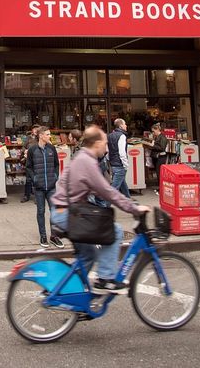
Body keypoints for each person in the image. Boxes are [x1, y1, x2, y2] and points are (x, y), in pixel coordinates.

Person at [52, 125, 149, 294]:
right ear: (96, 143)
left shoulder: (81, 157)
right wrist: (133, 208)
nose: (106, 146)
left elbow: (98, 189)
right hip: (68, 214)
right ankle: (105, 279)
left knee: (88, 255)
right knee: (116, 230)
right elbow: (108, 191)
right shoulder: (87, 161)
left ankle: (73, 293)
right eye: (104, 142)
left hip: (65, 211)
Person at [26, 126, 63, 249]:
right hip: (39, 187)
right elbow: (29, 167)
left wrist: (55, 176)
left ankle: (54, 236)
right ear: (41, 136)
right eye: (47, 134)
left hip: (51, 186)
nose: (49, 136)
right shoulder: (32, 150)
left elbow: (56, 164)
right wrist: (35, 179)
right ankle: (43, 236)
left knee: (55, 211)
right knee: (40, 212)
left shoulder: (52, 148)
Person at [107, 118, 131, 199]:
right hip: (119, 164)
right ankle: (104, 205)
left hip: (113, 163)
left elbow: (107, 150)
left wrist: (109, 160)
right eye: (125, 124)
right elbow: (122, 152)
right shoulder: (122, 136)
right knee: (114, 189)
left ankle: (128, 199)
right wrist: (125, 164)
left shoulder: (110, 135)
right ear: (121, 126)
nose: (126, 125)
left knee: (122, 182)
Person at [21, 124, 40, 202]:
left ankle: (37, 197)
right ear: (32, 130)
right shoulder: (28, 138)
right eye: (34, 129)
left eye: (37, 129)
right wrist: (24, 150)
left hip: (38, 161)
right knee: (28, 180)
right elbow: (23, 147)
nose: (35, 130)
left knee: (37, 179)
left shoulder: (40, 138)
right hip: (29, 160)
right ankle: (26, 196)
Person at [147, 123, 168, 192]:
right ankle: (160, 187)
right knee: (158, 172)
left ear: (157, 130)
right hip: (157, 157)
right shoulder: (157, 137)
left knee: (160, 173)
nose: (153, 133)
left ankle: (161, 188)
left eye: (153, 131)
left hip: (160, 157)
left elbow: (162, 148)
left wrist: (152, 146)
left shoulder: (162, 137)